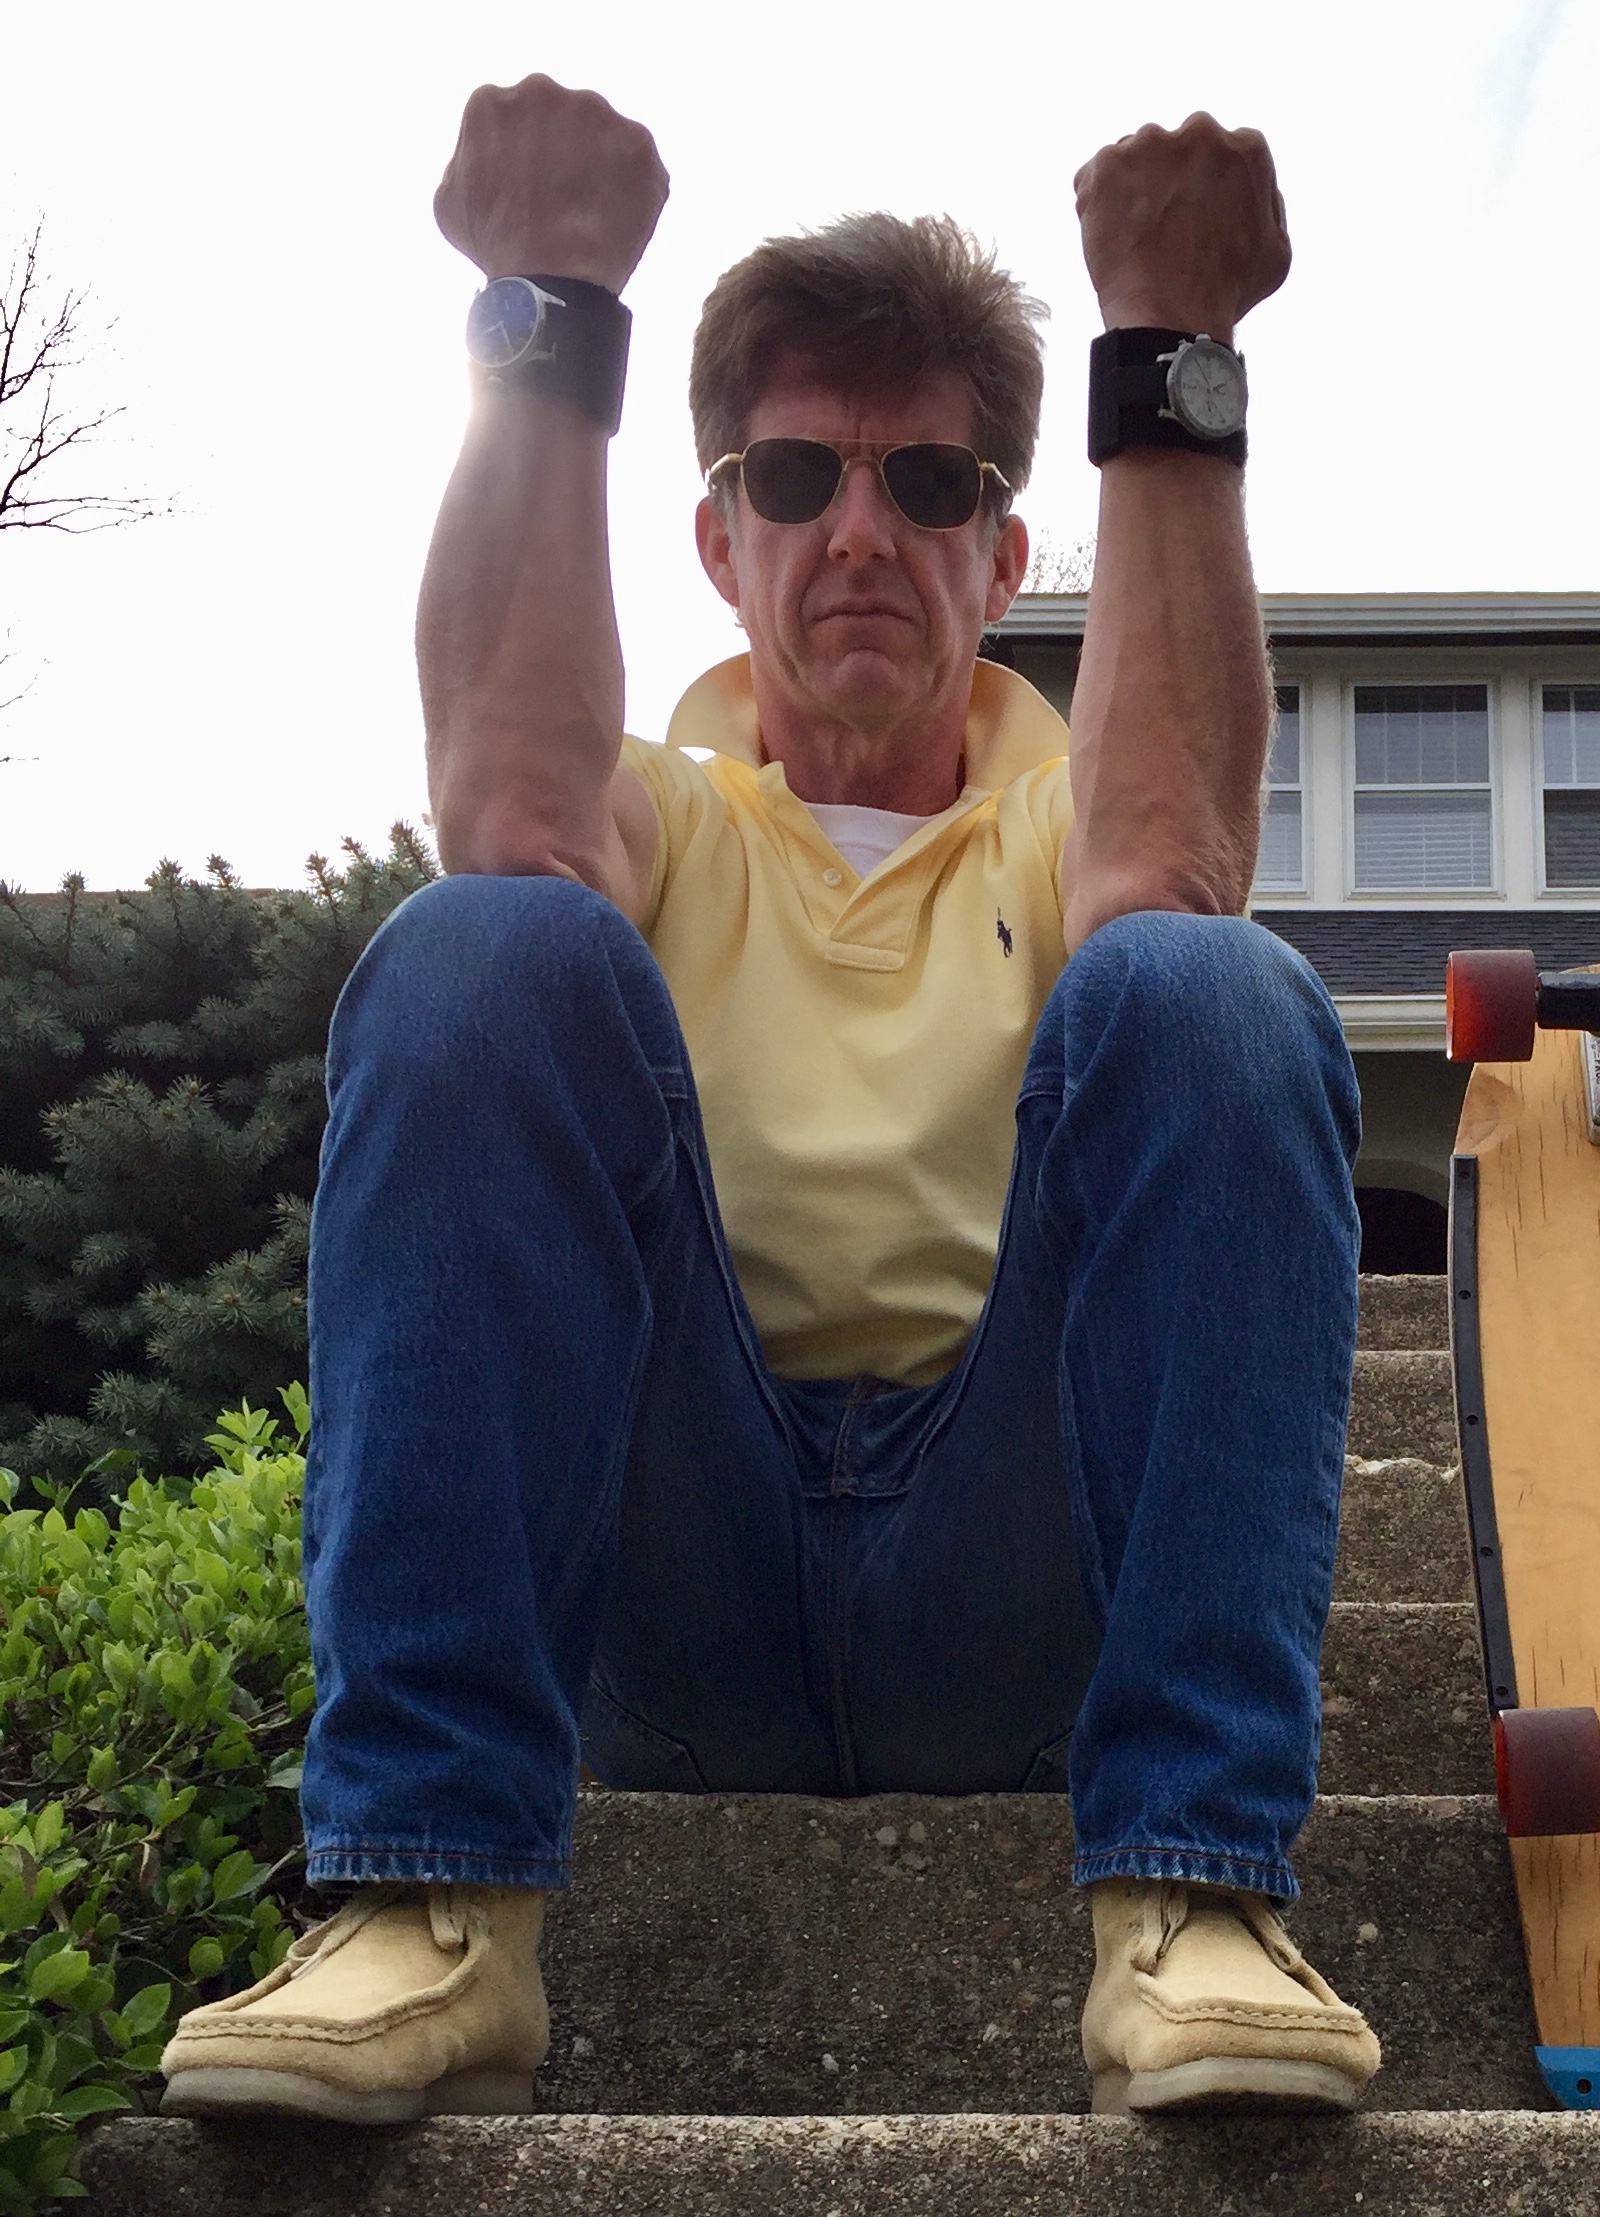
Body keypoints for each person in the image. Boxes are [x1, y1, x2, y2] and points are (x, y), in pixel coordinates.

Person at [156, 74, 1380, 2124]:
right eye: (799, 477)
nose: (861, 532)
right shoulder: (665, 815)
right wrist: (549, 300)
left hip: (1013, 1596)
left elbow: (1171, 868)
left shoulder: (1058, 828)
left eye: (929, 484)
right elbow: (516, 815)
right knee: (484, 942)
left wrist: (1173, 345)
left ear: (1003, 551)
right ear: (721, 541)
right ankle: (426, 1892)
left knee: (1211, 985)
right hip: (679, 1592)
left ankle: (1194, 1889)